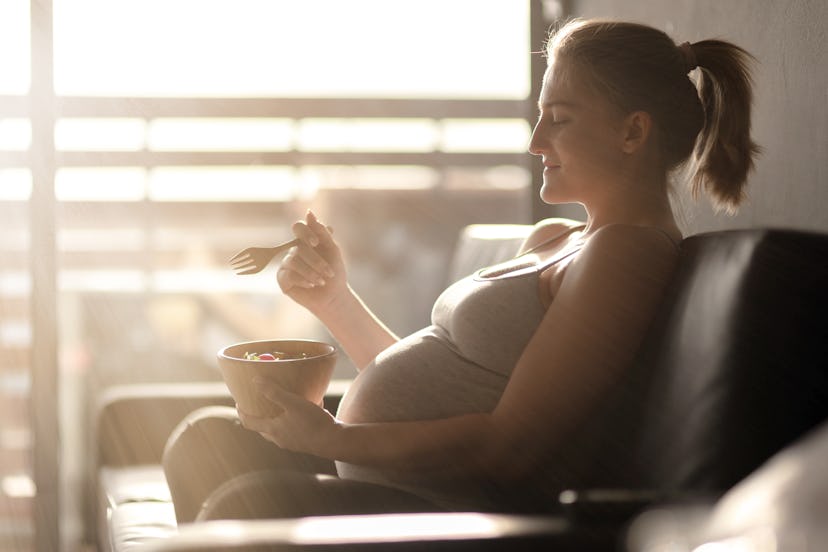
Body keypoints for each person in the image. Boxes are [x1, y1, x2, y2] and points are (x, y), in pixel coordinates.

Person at [162, 18, 760, 522]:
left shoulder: (628, 253)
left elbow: (514, 444)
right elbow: (439, 384)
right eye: (540, 114)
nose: (535, 141)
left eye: (560, 117)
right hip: (402, 480)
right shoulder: (557, 238)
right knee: (203, 442)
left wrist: (332, 438)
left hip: (448, 507)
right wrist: (335, 301)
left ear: (632, 130)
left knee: (242, 501)